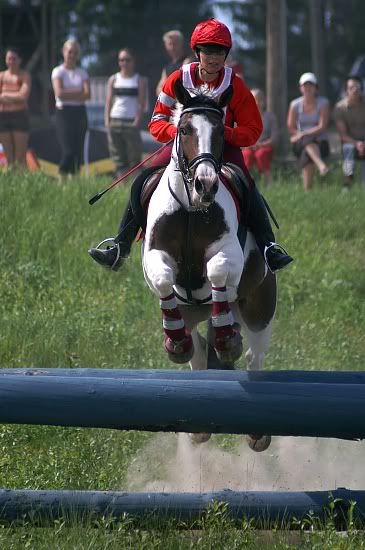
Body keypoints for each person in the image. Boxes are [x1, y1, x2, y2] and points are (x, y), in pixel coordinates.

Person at [89, 19, 293, 274]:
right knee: (143, 180)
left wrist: (223, 133)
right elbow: (156, 122)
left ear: (226, 54)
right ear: (197, 52)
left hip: (223, 147)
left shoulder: (236, 85)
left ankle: (268, 247)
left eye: (219, 51)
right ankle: (120, 246)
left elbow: (253, 130)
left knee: (247, 183)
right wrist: (182, 134)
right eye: (208, 50)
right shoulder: (177, 79)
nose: (214, 57)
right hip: (183, 145)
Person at [105, 48, 147, 177]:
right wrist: (107, 121)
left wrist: (137, 120)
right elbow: (109, 101)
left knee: (134, 157)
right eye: (121, 60)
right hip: (115, 120)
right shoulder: (113, 79)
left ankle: (134, 186)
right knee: (118, 157)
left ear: (133, 61)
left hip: (131, 122)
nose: (124, 63)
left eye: (127, 60)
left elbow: (141, 103)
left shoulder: (139, 79)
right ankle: (122, 186)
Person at [51, 39, 90, 178]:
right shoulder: (58, 71)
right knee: (68, 150)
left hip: (80, 112)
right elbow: (59, 93)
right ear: (64, 52)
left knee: (78, 149)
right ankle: (62, 179)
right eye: (70, 52)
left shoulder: (82, 72)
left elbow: (87, 95)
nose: (72, 55)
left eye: (75, 52)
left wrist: (69, 93)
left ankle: (75, 181)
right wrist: (78, 93)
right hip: (64, 113)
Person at [287, 72, 330, 191]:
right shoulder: (294, 104)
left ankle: (307, 191)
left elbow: (322, 126)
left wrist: (303, 134)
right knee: (307, 142)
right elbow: (291, 127)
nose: (308, 88)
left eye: (311, 85)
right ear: (300, 88)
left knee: (307, 153)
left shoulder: (323, 103)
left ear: (316, 88)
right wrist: (301, 135)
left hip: (320, 143)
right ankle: (321, 166)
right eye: (305, 85)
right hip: (300, 143)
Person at [0, 47, 31, 168]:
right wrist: (15, 97)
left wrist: (4, 95)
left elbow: (23, 97)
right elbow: (18, 96)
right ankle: (12, 184)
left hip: (19, 116)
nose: (11, 61)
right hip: (3, 117)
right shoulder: (2, 76)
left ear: (19, 60)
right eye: (9, 58)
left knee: (20, 157)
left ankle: (23, 183)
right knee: (9, 158)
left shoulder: (24, 75)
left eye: (14, 58)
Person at [334, 75, 365, 189]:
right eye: (351, 87)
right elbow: (343, 135)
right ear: (346, 90)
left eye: (357, 87)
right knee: (348, 149)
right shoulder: (340, 108)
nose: (355, 90)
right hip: (350, 142)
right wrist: (357, 144)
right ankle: (347, 182)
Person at [242, 89, 278, 185]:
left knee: (261, 155)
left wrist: (261, 144)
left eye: (259, 100)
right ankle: (247, 184)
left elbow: (274, 137)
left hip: (265, 146)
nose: (257, 103)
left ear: (264, 101)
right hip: (249, 146)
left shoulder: (270, 117)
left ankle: (269, 183)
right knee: (246, 155)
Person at [155, 30, 186, 96]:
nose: (172, 48)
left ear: (181, 44)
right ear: (166, 46)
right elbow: (159, 90)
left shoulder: (189, 62)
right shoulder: (167, 68)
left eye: (175, 44)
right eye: (170, 44)